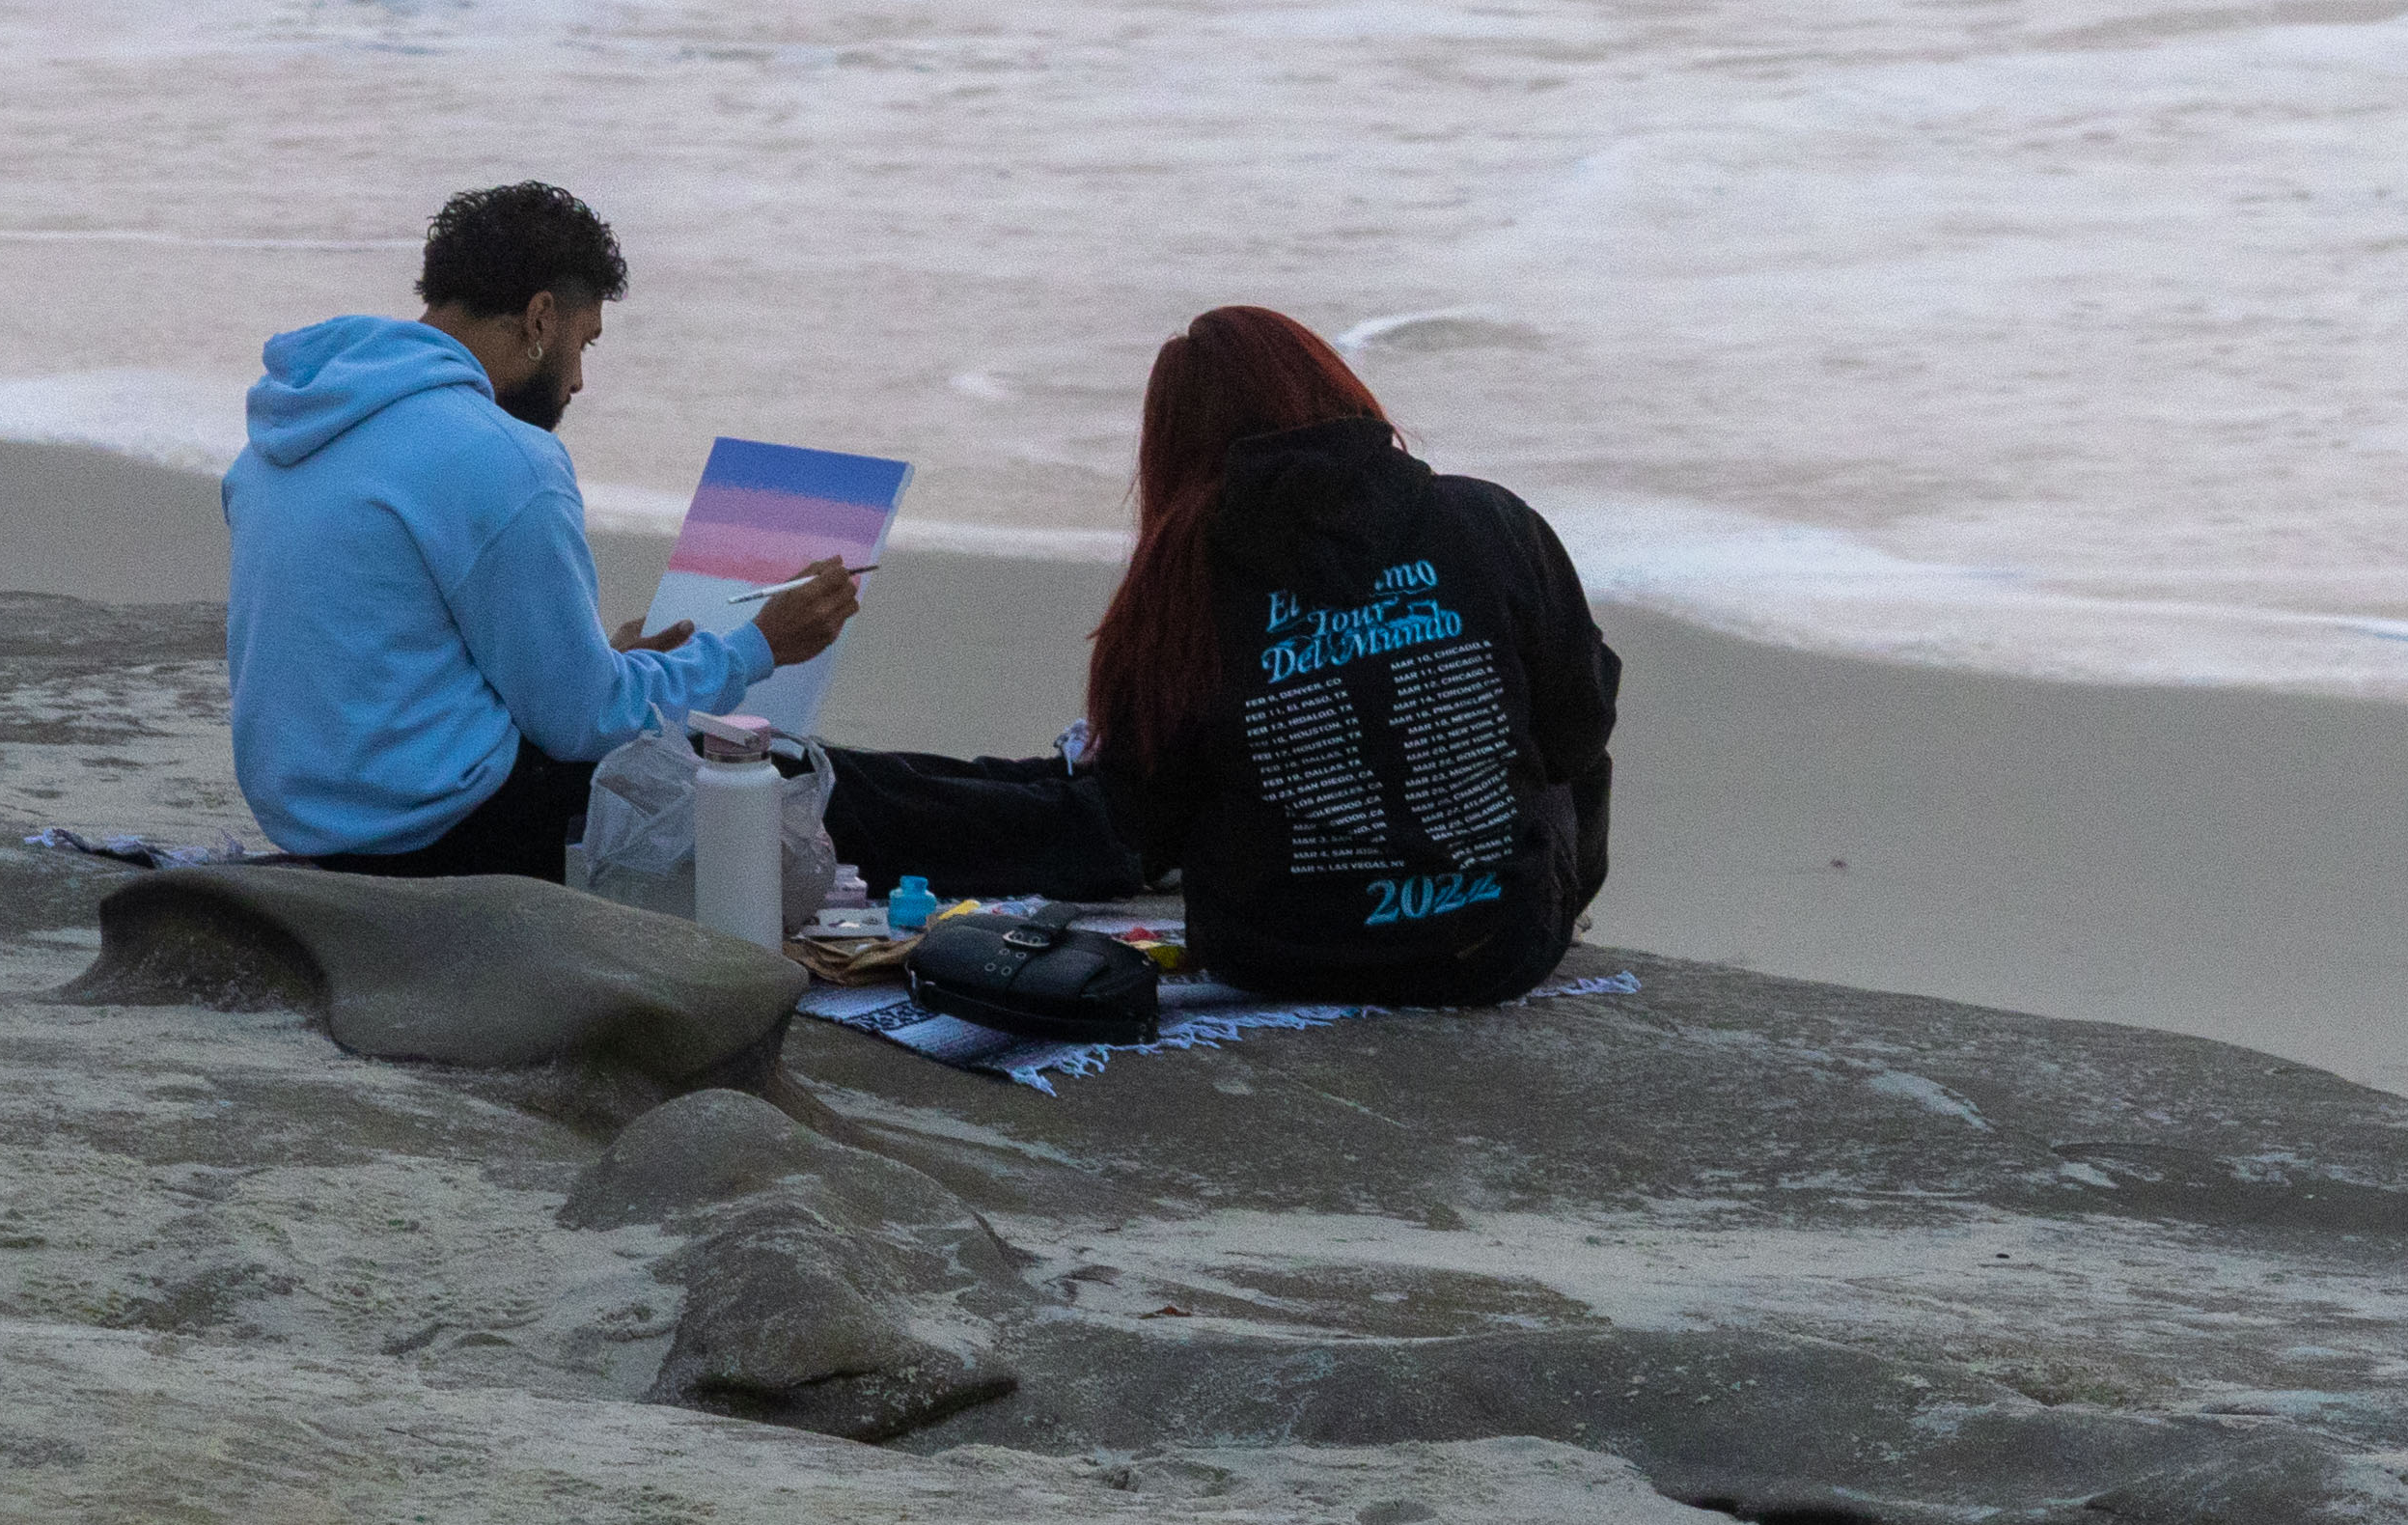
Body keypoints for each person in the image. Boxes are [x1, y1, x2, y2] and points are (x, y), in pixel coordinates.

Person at [226, 180, 1141, 898]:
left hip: (319, 815)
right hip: (444, 833)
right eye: (584, 343)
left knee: (779, 758)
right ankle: (1108, 832)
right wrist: (757, 647)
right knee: (793, 782)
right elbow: (584, 723)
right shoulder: (500, 458)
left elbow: (390, 650)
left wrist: (608, 661)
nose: (578, 381)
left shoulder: (290, 431)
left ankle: (1057, 786)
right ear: (540, 319)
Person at [1085, 307, 1618, 1005]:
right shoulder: (1489, 518)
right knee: (1566, 713)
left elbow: (1145, 816)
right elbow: (1580, 727)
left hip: (1270, 953)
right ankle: (1556, 910)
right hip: (1495, 947)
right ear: (1336, 388)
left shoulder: (1175, 577)